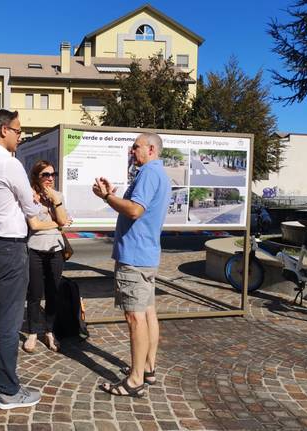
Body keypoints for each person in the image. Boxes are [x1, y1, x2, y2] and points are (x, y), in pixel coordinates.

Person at [0, 109, 57, 409]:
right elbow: (32, 213)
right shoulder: (10, 163)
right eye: (19, 131)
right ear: (4, 130)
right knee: (8, 321)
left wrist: (25, 201)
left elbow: (5, 199)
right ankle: (8, 390)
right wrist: (38, 206)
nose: (21, 135)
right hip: (9, 247)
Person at [92, 132, 170, 398]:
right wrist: (113, 194)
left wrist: (106, 198)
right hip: (146, 255)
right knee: (148, 313)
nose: (131, 150)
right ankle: (147, 368)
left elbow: (135, 210)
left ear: (150, 149)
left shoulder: (149, 172)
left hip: (135, 257)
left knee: (135, 317)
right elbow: (137, 207)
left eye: (135, 147)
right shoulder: (157, 173)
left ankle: (135, 380)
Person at [22, 160, 69, 353]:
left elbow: (63, 219)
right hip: (35, 249)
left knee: (53, 293)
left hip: (55, 249)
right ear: (36, 177)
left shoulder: (58, 195)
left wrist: (56, 203)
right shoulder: (29, 196)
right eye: (45, 175)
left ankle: (49, 331)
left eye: (52, 174)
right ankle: (33, 332)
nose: (50, 178)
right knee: (34, 293)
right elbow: (34, 225)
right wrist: (57, 224)